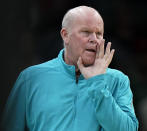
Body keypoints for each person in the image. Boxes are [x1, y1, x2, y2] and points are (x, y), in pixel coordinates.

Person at [1, 6, 138, 131]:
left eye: (99, 34)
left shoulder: (118, 80)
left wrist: (98, 83)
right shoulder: (31, 78)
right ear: (65, 35)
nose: (94, 39)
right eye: (86, 32)